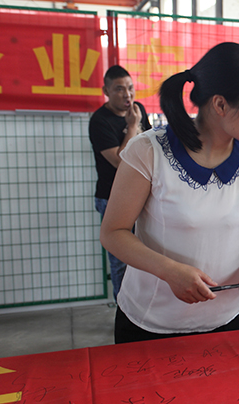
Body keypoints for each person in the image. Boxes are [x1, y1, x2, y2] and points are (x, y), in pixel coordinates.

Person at [99, 42, 239, 343]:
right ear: (220, 105)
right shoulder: (148, 151)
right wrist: (169, 270)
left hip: (228, 315)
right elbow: (113, 232)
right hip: (152, 322)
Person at [89, 65, 151, 301]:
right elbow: (120, 161)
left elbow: (150, 147)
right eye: (119, 89)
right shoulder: (99, 121)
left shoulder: (138, 109)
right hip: (111, 197)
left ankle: (142, 306)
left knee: (146, 255)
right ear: (106, 91)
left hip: (142, 195)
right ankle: (123, 308)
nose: (127, 94)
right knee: (120, 260)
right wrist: (133, 126)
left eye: (130, 88)